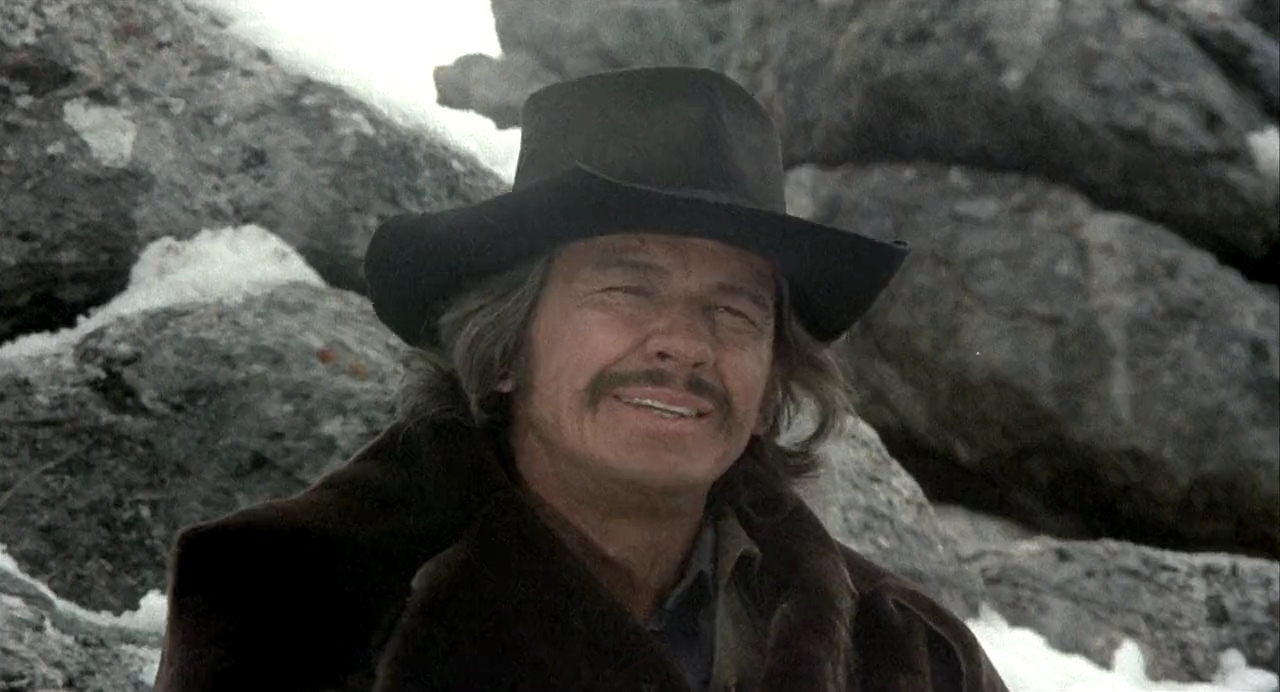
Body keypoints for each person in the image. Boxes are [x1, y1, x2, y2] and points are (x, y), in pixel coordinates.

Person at [152, 66, 1009, 692]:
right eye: (627, 288)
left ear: (773, 385)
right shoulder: (290, 601)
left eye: (734, 310)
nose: (685, 345)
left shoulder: (908, 651)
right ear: (503, 347)